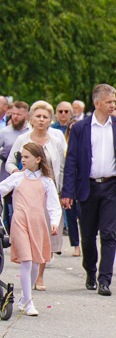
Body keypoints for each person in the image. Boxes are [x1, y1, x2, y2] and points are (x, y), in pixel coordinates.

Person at [62, 85, 116, 297]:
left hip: (112, 187)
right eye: (109, 102)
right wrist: (67, 192)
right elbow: (72, 161)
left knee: (109, 233)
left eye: (114, 101)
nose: (113, 105)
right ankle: (90, 271)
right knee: (88, 235)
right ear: (97, 103)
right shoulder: (80, 128)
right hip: (88, 187)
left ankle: (105, 279)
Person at [6, 101, 67, 289]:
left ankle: (39, 275)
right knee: (25, 232)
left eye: (45, 117)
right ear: (31, 119)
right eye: (38, 116)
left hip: (47, 191)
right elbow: (9, 162)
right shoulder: (23, 140)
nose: (41, 120)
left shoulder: (56, 141)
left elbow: (61, 168)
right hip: (25, 193)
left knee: (44, 235)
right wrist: (17, 173)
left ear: (50, 120)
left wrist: (62, 191)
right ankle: (27, 268)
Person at [0, 143, 61, 316]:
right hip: (20, 222)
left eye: (27, 157)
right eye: (22, 157)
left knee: (35, 263)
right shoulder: (17, 178)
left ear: (38, 159)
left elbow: (54, 206)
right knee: (26, 261)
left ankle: (25, 297)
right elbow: (1, 189)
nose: (23, 160)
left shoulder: (46, 182)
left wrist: (54, 222)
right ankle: (28, 303)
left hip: (38, 224)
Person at [0, 101, 30, 229]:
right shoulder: (4, 132)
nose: (15, 117)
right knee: (10, 211)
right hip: (8, 176)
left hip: (28, 178)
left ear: (26, 115)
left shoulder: (31, 132)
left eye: (19, 114)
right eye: (13, 114)